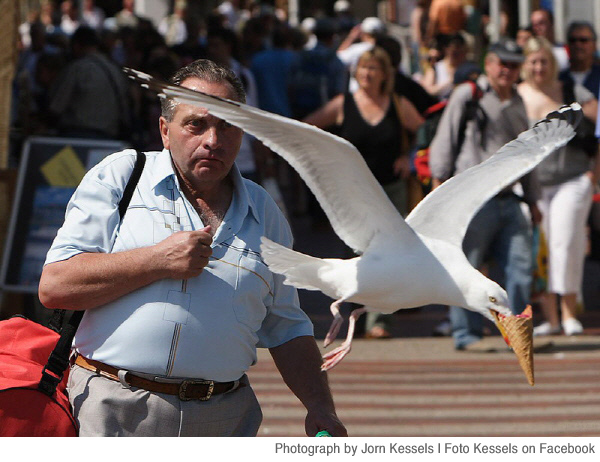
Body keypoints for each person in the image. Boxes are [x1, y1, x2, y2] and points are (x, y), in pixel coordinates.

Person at [38, 59, 347, 437]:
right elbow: (56, 286)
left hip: (223, 418)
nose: (213, 140)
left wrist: (320, 407)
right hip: (114, 410)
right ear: (165, 131)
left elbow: (287, 325)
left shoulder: (264, 211)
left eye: (227, 125)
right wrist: (157, 260)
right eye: (196, 124)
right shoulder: (121, 177)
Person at [304, 47, 423, 339]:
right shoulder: (343, 104)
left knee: (389, 254)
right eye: (363, 68)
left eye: (374, 68)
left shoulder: (397, 104)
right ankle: (356, 312)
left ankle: (380, 321)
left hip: (390, 190)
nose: (368, 74)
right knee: (356, 251)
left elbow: (424, 129)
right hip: (353, 194)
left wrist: (408, 157)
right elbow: (308, 127)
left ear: (385, 74)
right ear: (356, 73)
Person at [429, 39, 540, 351]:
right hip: (472, 200)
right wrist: (438, 191)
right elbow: (445, 140)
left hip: (510, 198)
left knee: (520, 269)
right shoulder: (469, 94)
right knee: (468, 270)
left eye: (514, 64)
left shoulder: (518, 100)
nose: (507, 69)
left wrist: (533, 200)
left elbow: (527, 154)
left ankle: (517, 335)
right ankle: (467, 335)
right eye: (501, 63)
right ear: (488, 63)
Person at [518, 37, 599, 336]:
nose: (539, 67)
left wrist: (595, 174)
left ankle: (569, 313)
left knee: (565, 243)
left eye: (545, 61)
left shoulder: (571, 91)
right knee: (542, 247)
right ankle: (550, 318)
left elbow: (598, 128)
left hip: (573, 177)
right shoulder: (517, 96)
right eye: (534, 61)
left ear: (552, 65)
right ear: (526, 65)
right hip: (534, 185)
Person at [47, 26, 131, 141]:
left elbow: (57, 106)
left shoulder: (77, 68)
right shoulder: (114, 69)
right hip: (110, 139)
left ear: (76, 46)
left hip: (77, 137)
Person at [420, 33, 469, 100]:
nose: (457, 54)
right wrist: (450, 82)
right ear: (446, 49)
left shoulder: (468, 68)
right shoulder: (436, 68)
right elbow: (427, 91)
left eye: (460, 50)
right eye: (454, 51)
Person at [559, 21, 600, 99]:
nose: (578, 44)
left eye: (583, 40)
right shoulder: (558, 79)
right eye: (572, 40)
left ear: (594, 45)